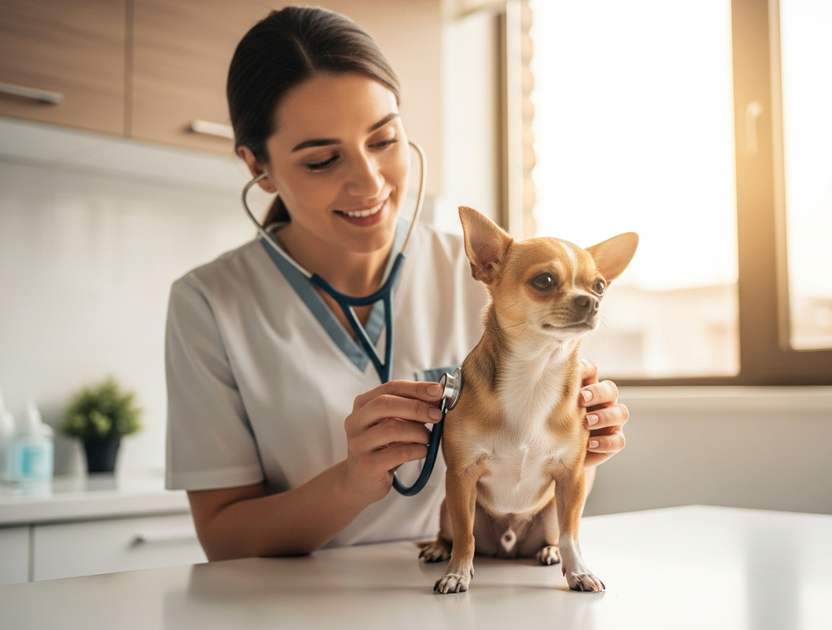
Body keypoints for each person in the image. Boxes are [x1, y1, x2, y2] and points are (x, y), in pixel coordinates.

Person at [165, 6, 629, 562]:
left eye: (383, 140)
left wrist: (576, 444)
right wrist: (351, 482)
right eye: (321, 160)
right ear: (257, 167)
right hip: (297, 599)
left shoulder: (497, 277)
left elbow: (536, 497)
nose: (368, 181)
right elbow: (223, 536)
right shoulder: (209, 303)